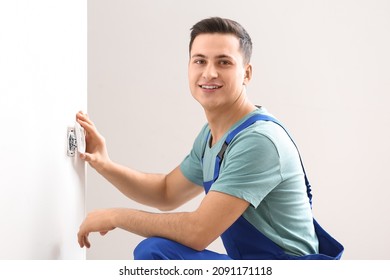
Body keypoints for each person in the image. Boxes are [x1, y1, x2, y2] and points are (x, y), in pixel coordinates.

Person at [76, 17, 343, 260]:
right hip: (252, 267)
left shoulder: (258, 141)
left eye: (223, 62)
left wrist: (115, 216)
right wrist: (104, 164)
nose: (209, 73)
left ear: (247, 73)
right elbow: (166, 192)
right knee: (156, 250)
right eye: (200, 60)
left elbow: (198, 232)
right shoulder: (213, 136)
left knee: (156, 254)